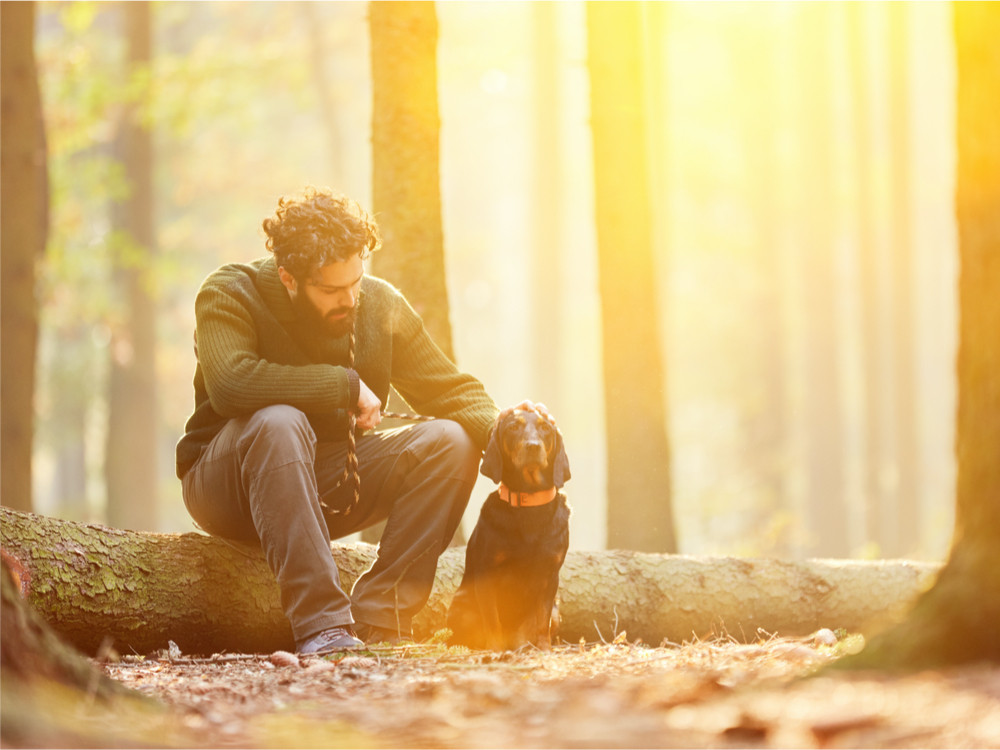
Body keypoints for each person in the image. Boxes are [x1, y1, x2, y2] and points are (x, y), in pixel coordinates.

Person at [176, 186, 530, 653]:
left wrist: (511, 437)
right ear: (288, 277)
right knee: (280, 422)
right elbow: (231, 384)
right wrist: (342, 386)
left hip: (330, 482)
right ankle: (324, 626)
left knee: (451, 440)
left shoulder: (378, 305)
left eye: (355, 282)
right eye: (331, 289)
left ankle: (382, 620)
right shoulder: (229, 292)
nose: (350, 299)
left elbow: (451, 391)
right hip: (227, 484)